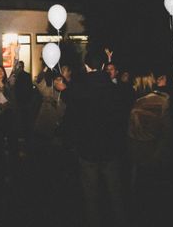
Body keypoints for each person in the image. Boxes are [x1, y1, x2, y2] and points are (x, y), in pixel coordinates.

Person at [54, 52, 129, 227]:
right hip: (111, 149)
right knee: (115, 194)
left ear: (86, 67)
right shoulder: (115, 89)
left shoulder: (79, 89)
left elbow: (70, 105)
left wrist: (63, 89)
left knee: (90, 196)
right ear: (103, 66)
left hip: (87, 150)